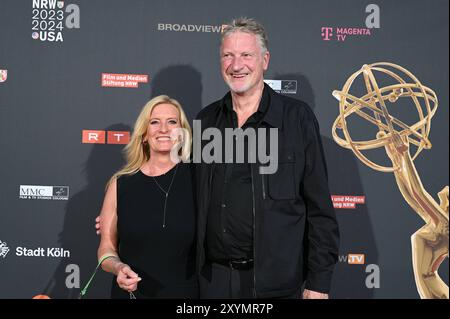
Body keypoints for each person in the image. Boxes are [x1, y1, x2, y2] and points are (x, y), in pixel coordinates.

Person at [194, 17, 339, 299]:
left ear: (265, 60)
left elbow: (320, 208)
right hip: (214, 281)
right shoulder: (207, 120)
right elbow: (189, 196)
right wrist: (124, 207)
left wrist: (319, 282)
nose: (237, 65)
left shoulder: (297, 119)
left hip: (275, 284)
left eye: (246, 55)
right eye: (228, 55)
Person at [97, 95, 198, 298]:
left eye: (172, 122)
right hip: (131, 295)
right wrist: (118, 267)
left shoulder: (200, 179)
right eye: (154, 122)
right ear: (144, 134)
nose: (163, 129)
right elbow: (106, 248)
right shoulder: (120, 184)